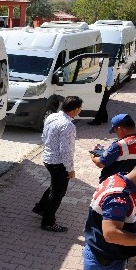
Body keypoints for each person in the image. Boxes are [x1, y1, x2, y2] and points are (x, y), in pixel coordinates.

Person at [32, 96, 83, 233]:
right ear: (76, 109)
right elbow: (66, 151)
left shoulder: (52, 116)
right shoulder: (68, 125)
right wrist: (70, 169)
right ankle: (48, 222)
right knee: (58, 193)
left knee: (55, 186)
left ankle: (41, 208)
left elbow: (44, 136)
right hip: (58, 163)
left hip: (47, 158)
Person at [90, 114, 136, 183]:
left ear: (120, 129)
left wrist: (93, 153)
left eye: (115, 131)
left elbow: (100, 163)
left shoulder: (119, 145)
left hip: (115, 184)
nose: (116, 134)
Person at [88, 59, 114, 125]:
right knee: (103, 104)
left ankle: (97, 121)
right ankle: (104, 118)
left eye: (100, 63)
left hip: (106, 89)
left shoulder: (106, 70)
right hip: (107, 88)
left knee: (100, 105)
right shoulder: (107, 69)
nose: (99, 64)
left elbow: (103, 81)